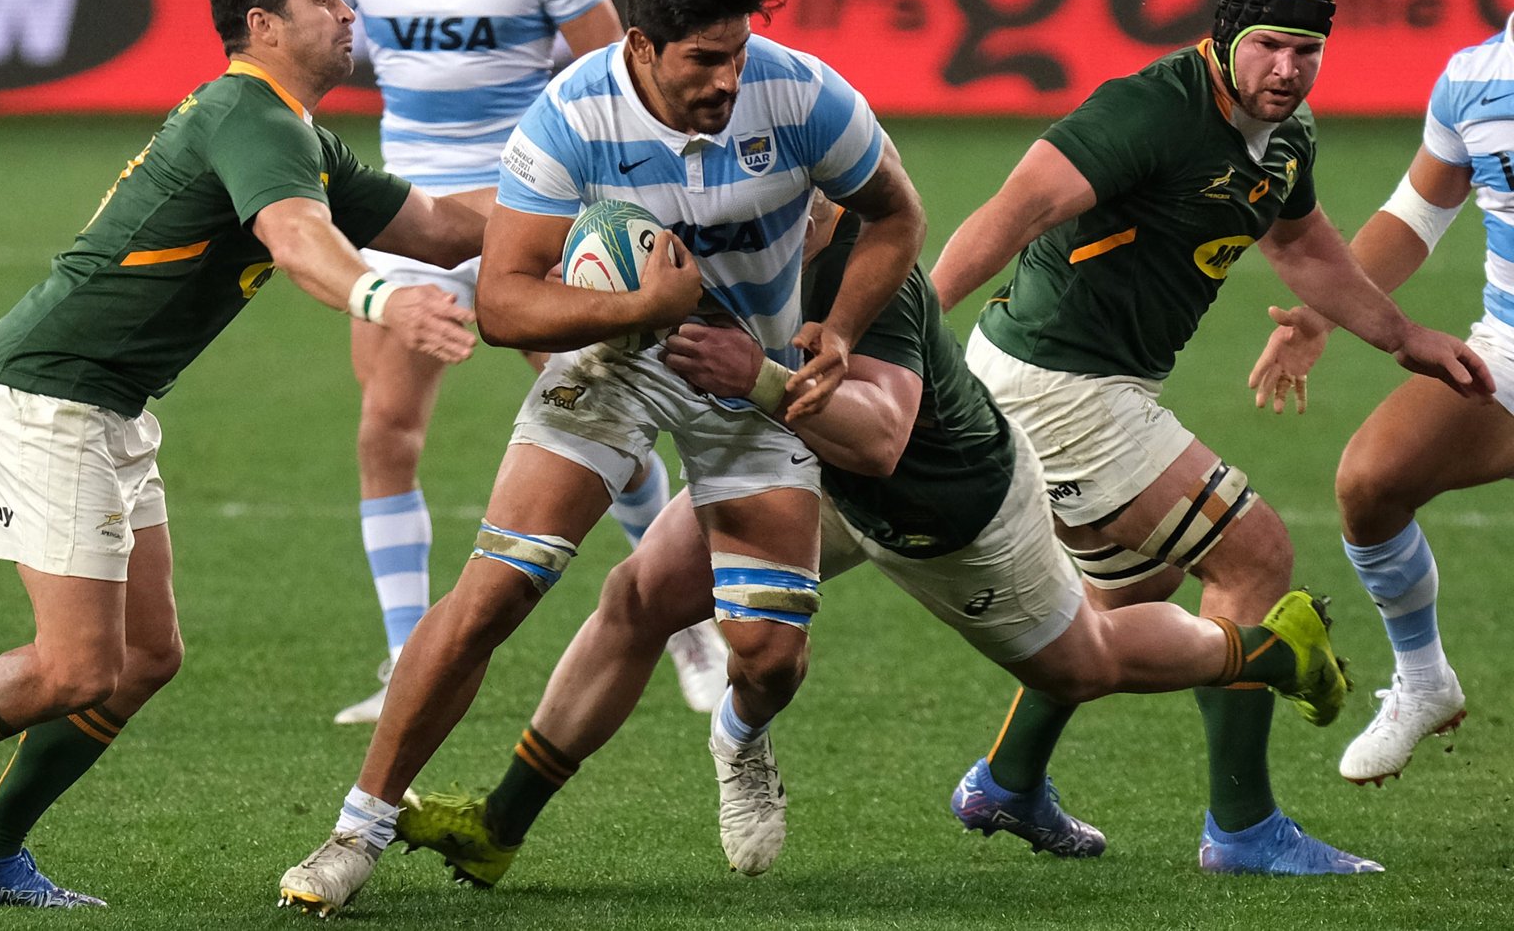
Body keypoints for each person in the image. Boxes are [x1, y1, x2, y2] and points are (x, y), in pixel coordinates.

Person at [386, 197, 1352, 888]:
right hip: (795, 457)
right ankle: (498, 828)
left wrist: (755, 375)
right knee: (639, 598)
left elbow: (882, 437)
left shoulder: (862, 263)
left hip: (937, 497)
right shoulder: (701, 219)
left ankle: (1269, 650)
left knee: (1083, 664)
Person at [277, 0, 927, 916]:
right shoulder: (571, 115)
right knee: (494, 593)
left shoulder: (800, 92)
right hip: (615, 362)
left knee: (769, 656)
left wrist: (837, 329)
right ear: (641, 48)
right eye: (703, 60)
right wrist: (635, 311)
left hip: (751, 384)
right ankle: (357, 829)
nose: (725, 79)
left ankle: (739, 739)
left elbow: (895, 212)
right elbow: (503, 302)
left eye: (735, 55)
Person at [0, 0, 485, 910]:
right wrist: (382, 301)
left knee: (142, 659)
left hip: (105, 402)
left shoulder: (291, 128)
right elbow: (299, 240)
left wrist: (571, 200)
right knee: (73, 666)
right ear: (262, 24)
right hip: (49, 396)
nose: (347, 13)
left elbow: (434, 226)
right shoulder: (250, 116)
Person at [926, 0, 1492, 875]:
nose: (1289, 68)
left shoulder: (1288, 135)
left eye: (1307, 51)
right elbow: (1016, 209)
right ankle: (1243, 829)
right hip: (1060, 382)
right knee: (1256, 551)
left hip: (1097, 386)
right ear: (1227, 35)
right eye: (1271, 45)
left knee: (1125, 595)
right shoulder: (1150, 109)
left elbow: (1304, 247)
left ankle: (1008, 781)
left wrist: (1406, 337)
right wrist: (904, 323)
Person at [324, 0, 725, 724]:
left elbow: (622, 79)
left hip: (529, 214)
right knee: (385, 432)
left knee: (599, 412)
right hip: (410, 221)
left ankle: (686, 631)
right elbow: (313, 60)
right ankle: (403, 658)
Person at [1248, 13, 1514, 785]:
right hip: (1508, 349)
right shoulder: (1474, 77)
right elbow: (1416, 216)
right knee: (1371, 481)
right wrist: (1320, 315)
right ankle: (1424, 681)